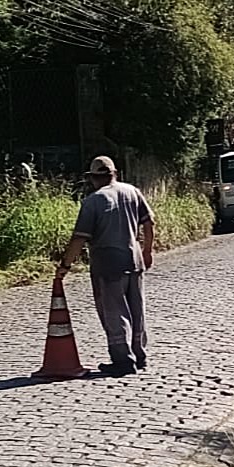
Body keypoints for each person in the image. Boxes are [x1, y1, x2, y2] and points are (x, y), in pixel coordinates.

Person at [56, 155, 154, 377]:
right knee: (137, 310)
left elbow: (79, 238)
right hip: (134, 261)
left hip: (108, 267)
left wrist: (65, 265)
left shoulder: (92, 203)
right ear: (115, 174)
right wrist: (147, 251)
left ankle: (123, 360)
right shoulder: (132, 192)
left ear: (92, 178)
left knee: (115, 313)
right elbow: (149, 223)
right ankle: (140, 356)